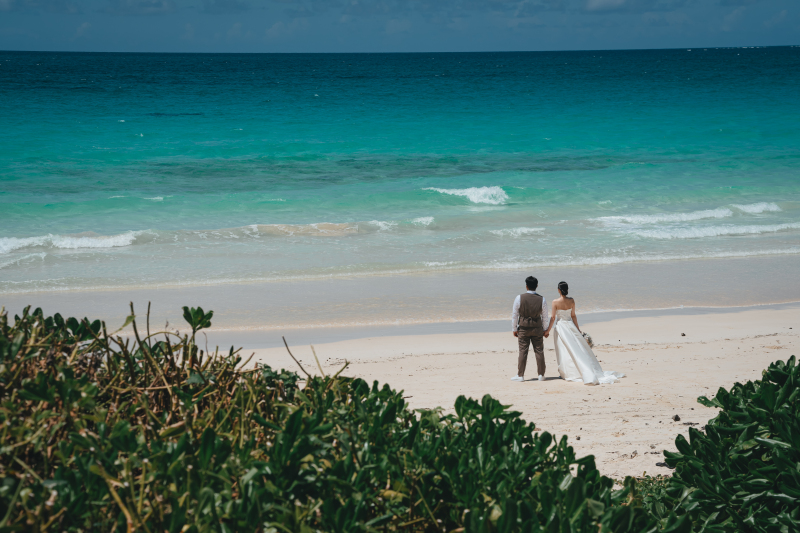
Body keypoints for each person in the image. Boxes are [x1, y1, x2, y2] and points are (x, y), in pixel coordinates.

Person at [543, 281, 624, 385]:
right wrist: (577, 329)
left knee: (563, 350)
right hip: (570, 326)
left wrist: (547, 331)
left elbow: (553, 318)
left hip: (561, 328)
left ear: (558, 290)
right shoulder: (571, 300)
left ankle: (566, 373)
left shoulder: (555, 302)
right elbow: (573, 316)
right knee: (576, 349)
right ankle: (572, 372)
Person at [510, 276, 549, 382]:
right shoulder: (542, 299)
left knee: (523, 351)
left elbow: (515, 315)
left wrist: (514, 329)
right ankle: (541, 375)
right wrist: (545, 329)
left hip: (523, 328)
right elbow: (545, 317)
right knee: (539, 351)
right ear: (537, 286)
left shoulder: (519, 298)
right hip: (537, 328)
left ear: (526, 286)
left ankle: (520, 375)